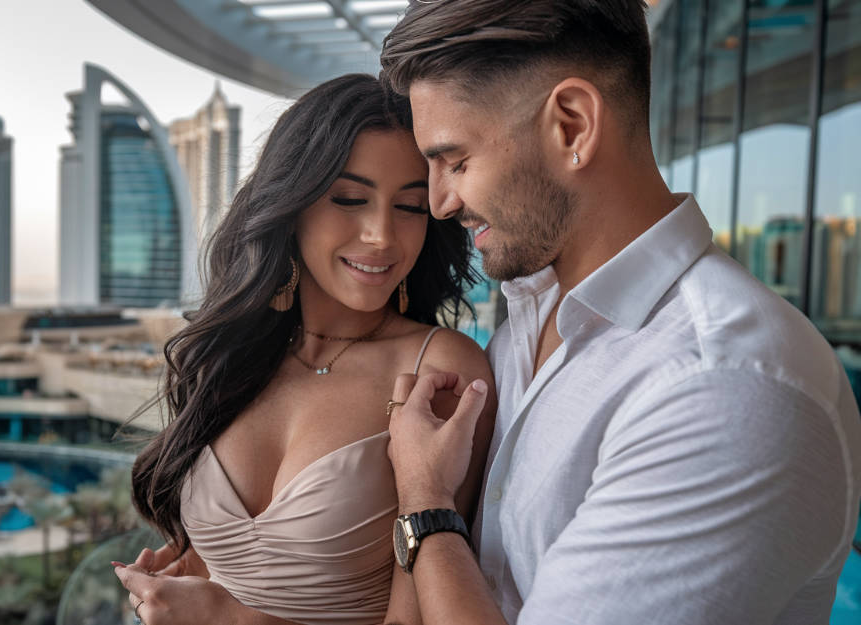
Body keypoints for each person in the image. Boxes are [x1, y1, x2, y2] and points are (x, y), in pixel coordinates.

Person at [378, 1, 861, 624]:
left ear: (573, 126)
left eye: (456, 160)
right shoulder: (530, 317)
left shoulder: (724, 384)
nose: (440, 201)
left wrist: (425, 501)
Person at [113, 73, 496, 625]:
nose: (381, 235)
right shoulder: (234, 355)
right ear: (292, 205)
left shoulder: (439, 371)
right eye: (349, 198)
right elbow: (243, 574)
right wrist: (185, 578)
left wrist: (233, 619)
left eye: (409, 207)